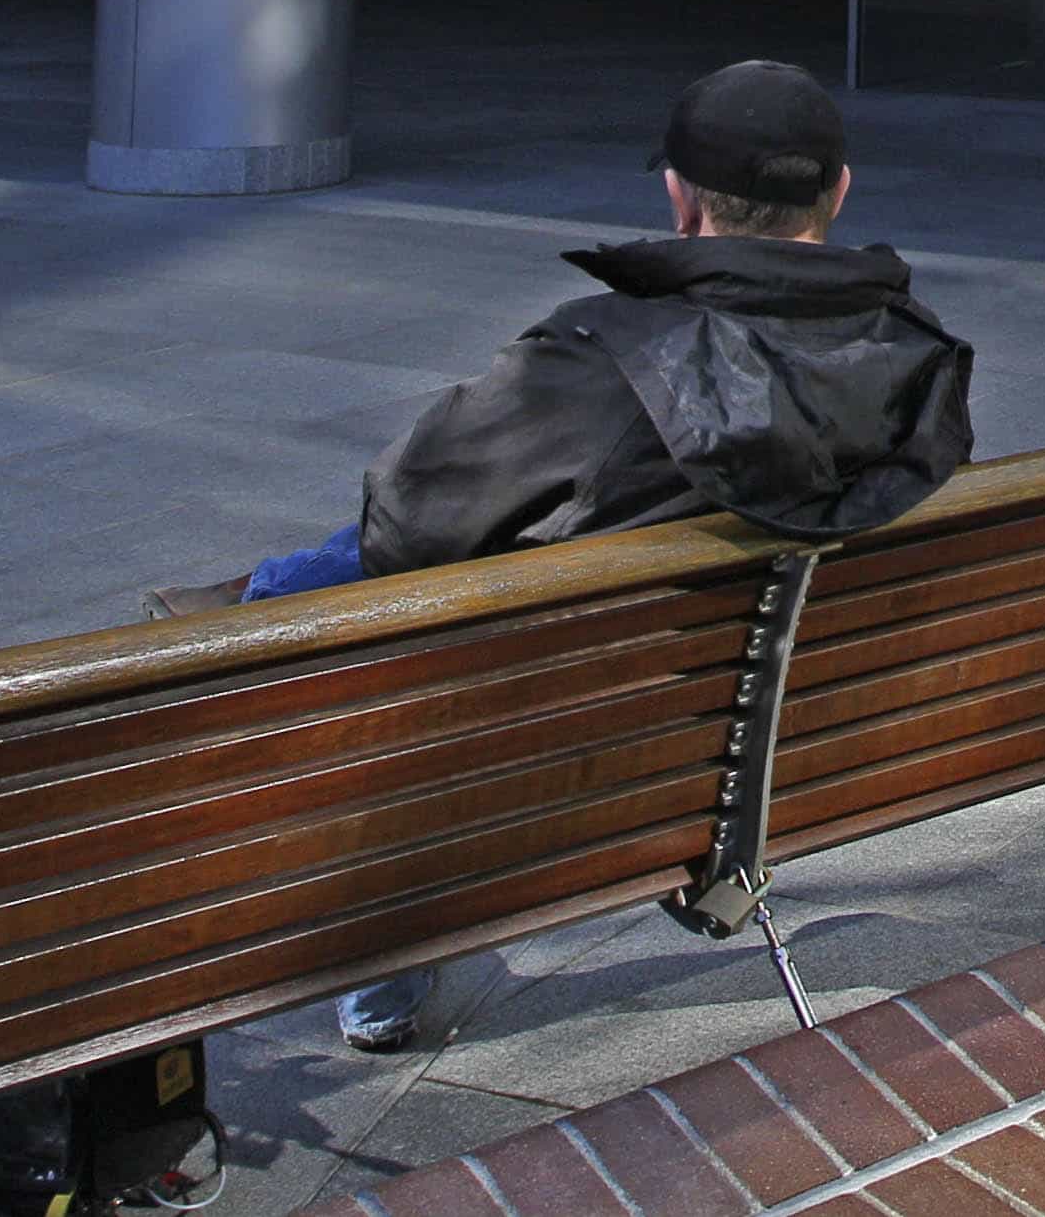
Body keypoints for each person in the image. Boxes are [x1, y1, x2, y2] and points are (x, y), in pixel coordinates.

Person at [242, 59, 972, 1054]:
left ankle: (385, 929)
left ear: (678, 196)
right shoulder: (916, 362)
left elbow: (407, 523)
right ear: (838, 194)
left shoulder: (603, 357)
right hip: (766, 742)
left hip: (532, 744)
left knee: (282, 599)